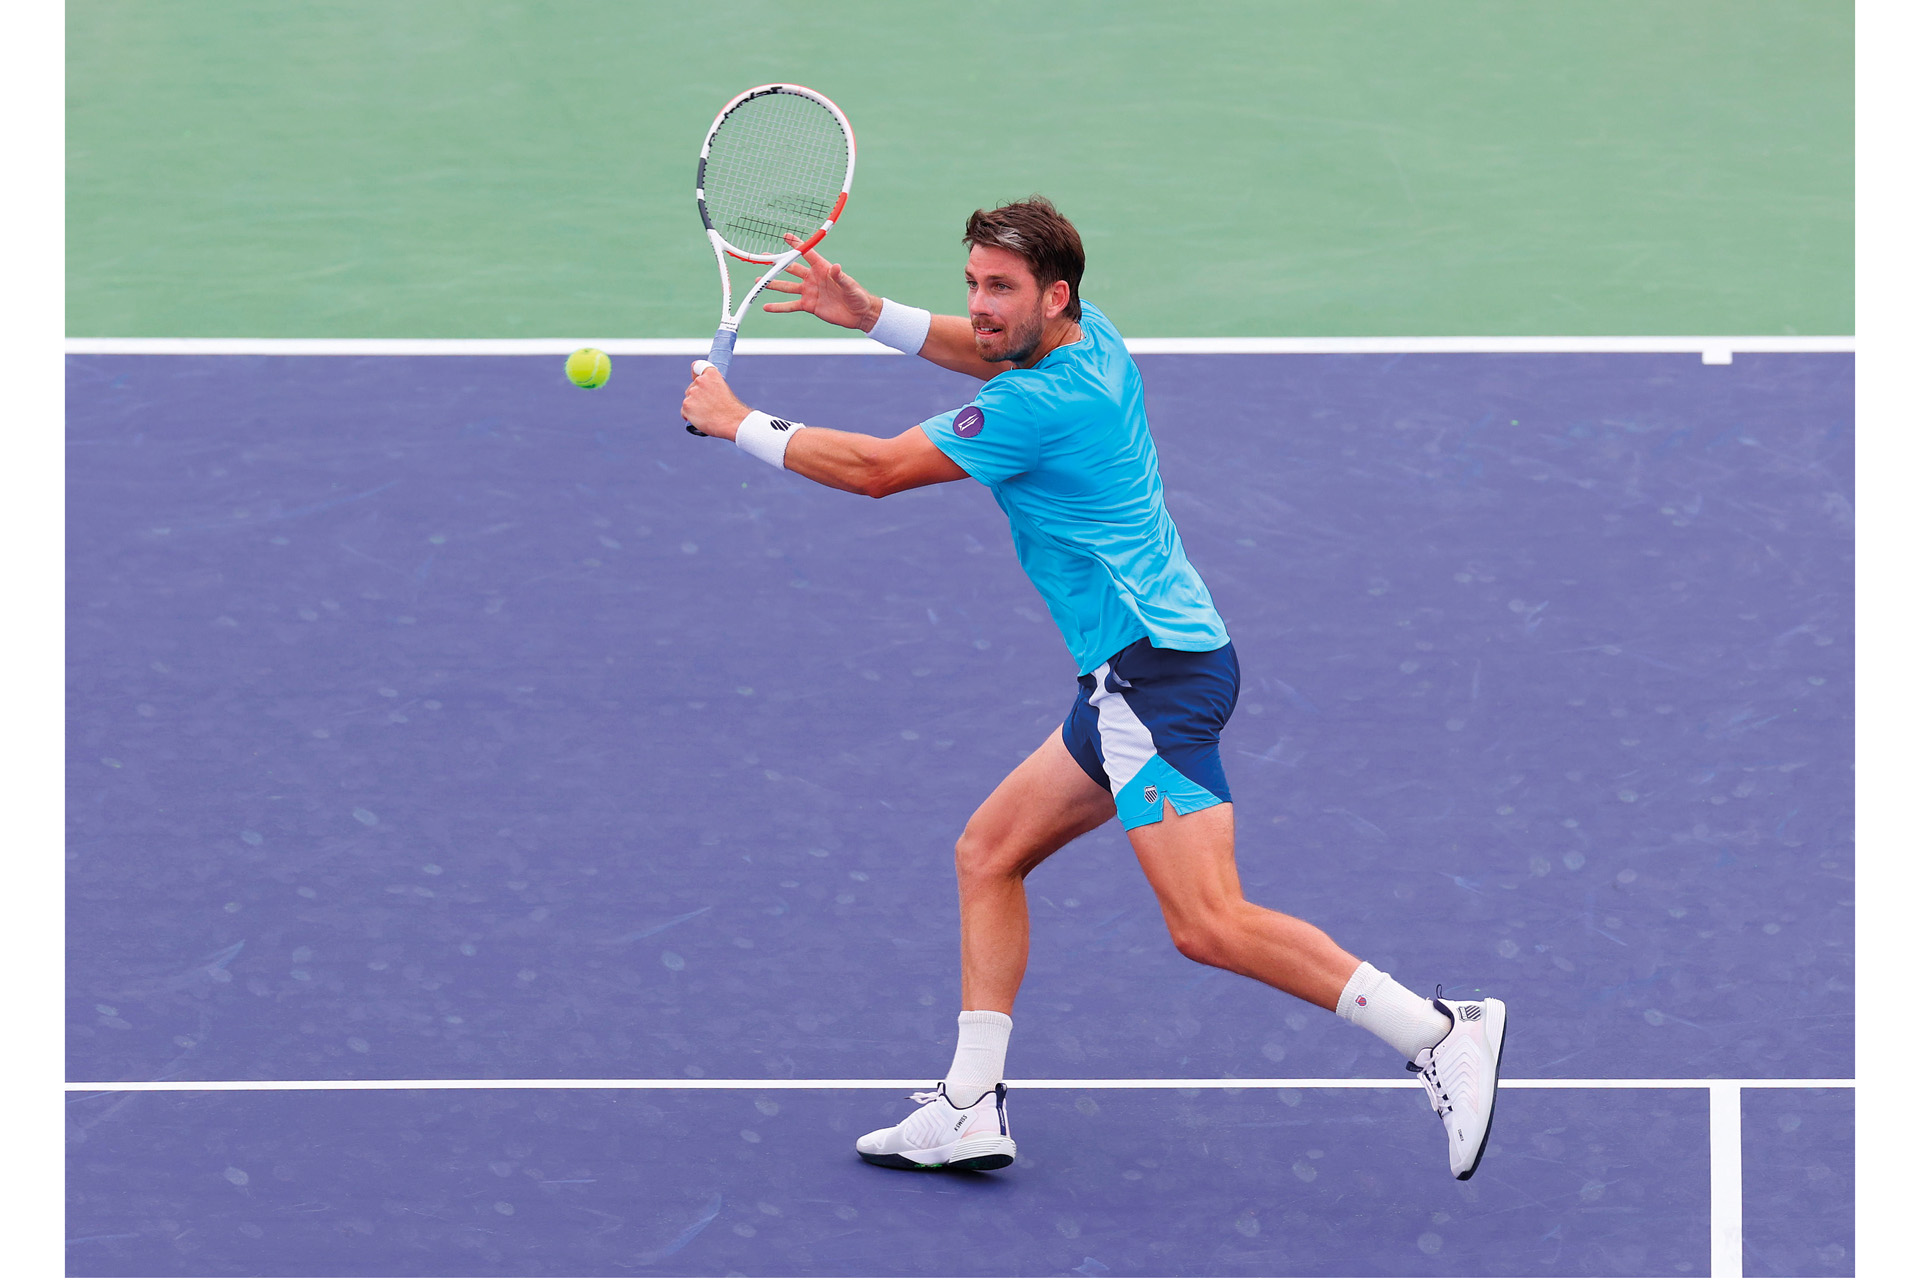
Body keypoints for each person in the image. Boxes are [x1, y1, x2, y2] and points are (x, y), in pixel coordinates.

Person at [679, 197, 1506, 1180]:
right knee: (989, 852)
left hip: (1151, 680)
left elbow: (876, 469)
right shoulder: (1087, 339)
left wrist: (741, 424)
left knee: (1208, 921)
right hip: (1146, 667)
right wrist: (870, 316)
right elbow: (986, 352)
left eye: (1001, 288)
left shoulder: (1037, 408)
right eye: (974, 284)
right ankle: (967, 1102)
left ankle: (1437, 1028)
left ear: (1054, 294)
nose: (980, 307)